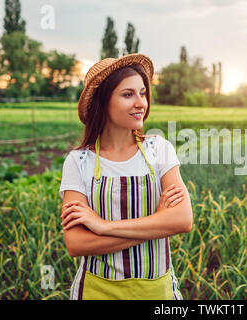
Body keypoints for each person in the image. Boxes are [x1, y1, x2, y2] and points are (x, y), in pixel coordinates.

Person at [58, 53, 193, 300]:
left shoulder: (159, 150)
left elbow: (182, 220)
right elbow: (77, 244)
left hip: (157, 292)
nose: (141, 103)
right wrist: (158, 223)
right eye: (128, 94)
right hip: (96, 292)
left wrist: (102, 227)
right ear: (103, 102)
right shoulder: (78, 162)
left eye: (143, 93)